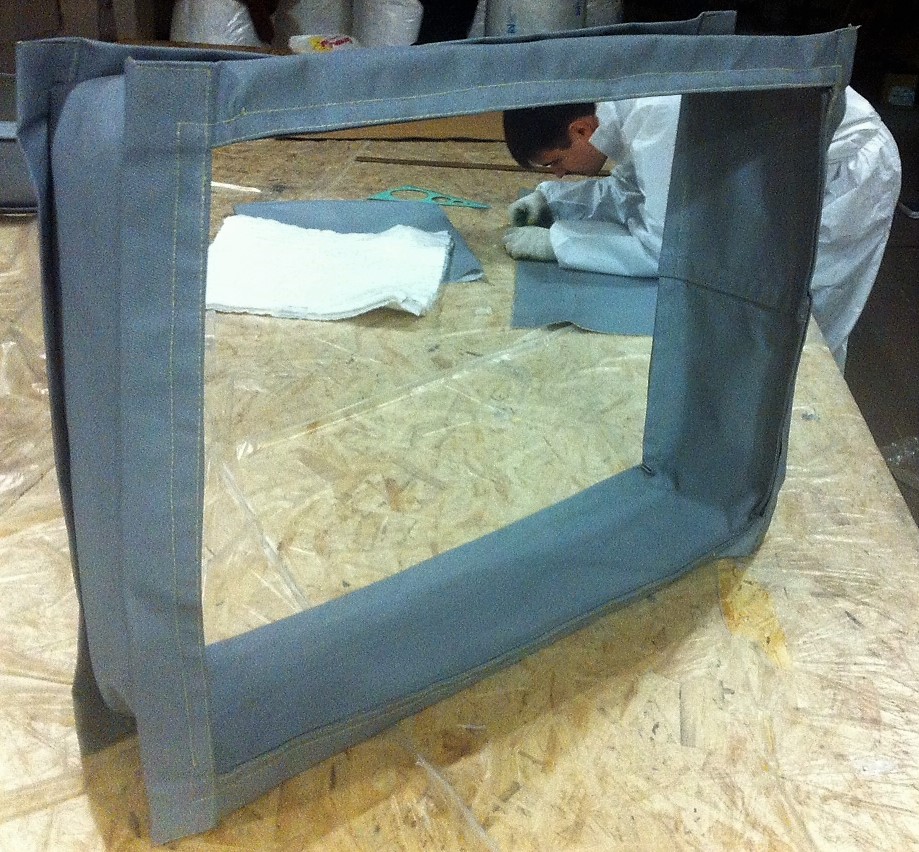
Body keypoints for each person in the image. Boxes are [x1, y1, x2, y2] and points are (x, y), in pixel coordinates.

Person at [502, 92, 901, 370]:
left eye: (554, 163)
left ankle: (813, 434)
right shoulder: (623, 106)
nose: (559, 173)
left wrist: (559, 244)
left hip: (845, 171)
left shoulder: (655, 114)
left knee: (808, 324)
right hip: (785, 163)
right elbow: (634, 189)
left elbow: (667, 248)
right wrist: (553, 200)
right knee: (770, 312)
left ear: (581, 131)